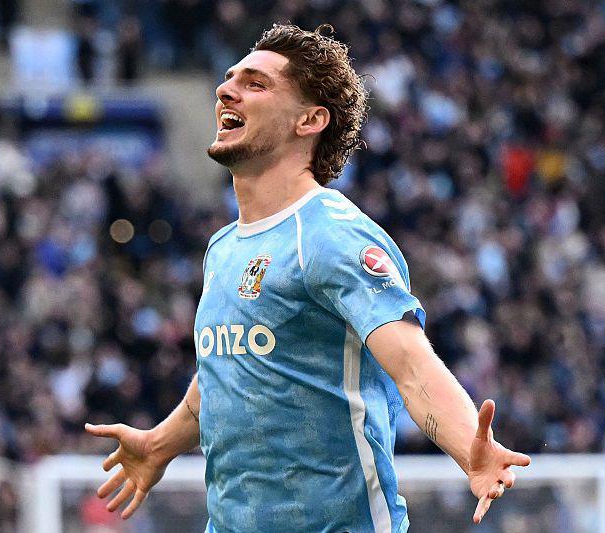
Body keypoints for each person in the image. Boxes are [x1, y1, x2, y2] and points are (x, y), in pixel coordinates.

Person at [85, 23, 531, 532]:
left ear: (310, 119)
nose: (225, 89)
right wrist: (160, 444)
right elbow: (229, 372)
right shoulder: (223, 247)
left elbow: (411, 365)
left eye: (256, 84)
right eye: (229, 79)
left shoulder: (331, 236)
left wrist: (467, 448)